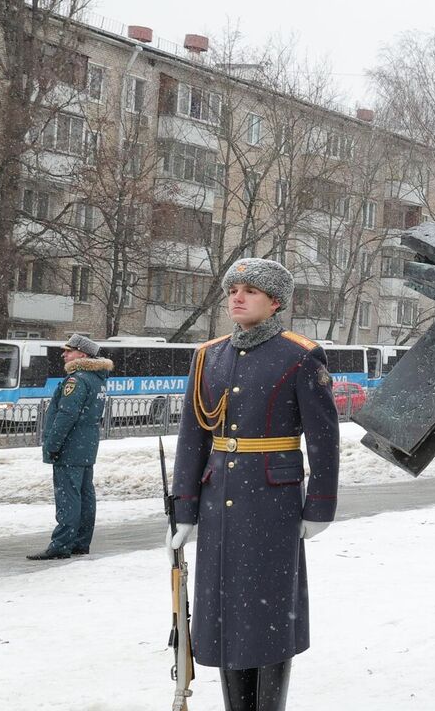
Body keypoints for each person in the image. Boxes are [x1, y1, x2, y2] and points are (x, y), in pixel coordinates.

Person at [168, 259, 339, 711]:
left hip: (273, 503)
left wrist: (319, 506)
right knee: (223, 617)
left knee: (267, 618)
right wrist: (184, 509)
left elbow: (324, 438)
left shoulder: (301, 355)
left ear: (275, 301)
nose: (237, 298)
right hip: (218, 504)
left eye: (250, 291)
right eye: (233, 290)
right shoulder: (209, 355)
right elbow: (193, 437)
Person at [26, 333, 113, 561]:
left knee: (68, 496)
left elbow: (66, 415)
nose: (64, 354)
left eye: (68, 351)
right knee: (85, 495)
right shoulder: (97, 378)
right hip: (87, 445)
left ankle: (61, 545)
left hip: (70, 446)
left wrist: (53, 445)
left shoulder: (77, 380)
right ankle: (81, 542)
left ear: (82, 355)